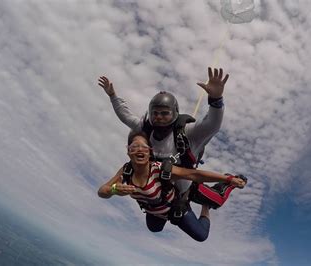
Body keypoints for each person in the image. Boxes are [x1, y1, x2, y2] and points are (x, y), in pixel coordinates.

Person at [98, 67, 233, 209]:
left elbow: (211, 125)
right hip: (162, 190)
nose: (159, 117)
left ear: (174, 113)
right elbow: (125, 116)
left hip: (185, 185)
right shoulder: (145, 129)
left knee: (217, 201)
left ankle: (224, 187)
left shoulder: (187, 132)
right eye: (154, 113)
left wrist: (216, 100)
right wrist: (113, 96)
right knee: (155, 225)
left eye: (164, 113)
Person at [98, 131, 247, 241]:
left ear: (150, 152)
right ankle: (162, 216)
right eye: (134, 147)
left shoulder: (158, 168)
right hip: (153, 210)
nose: (139, 150)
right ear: (128, 151)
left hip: (174, 207)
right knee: (154, 228)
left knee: (201, 236)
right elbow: (102, 191)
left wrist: (229, 178)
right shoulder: (126, 170)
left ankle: (206, 206)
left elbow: (194, 175)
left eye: (143, 147)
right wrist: (114, 190)